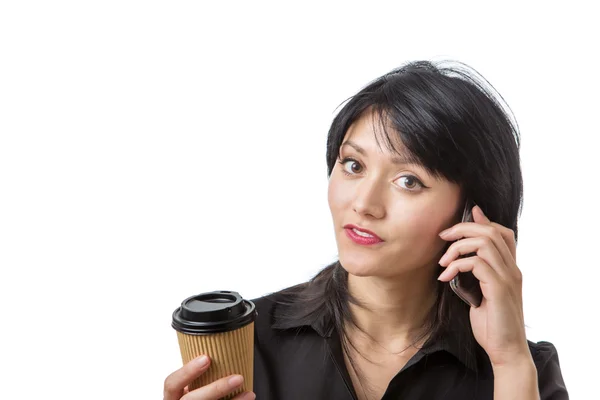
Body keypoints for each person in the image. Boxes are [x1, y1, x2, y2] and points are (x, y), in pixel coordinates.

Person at [163, 60, 569, 400]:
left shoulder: (522, 369)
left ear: (471, 214)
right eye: (353, 165)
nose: (364, 204)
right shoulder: (245, 341)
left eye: (409, 181)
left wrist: (511, 361)